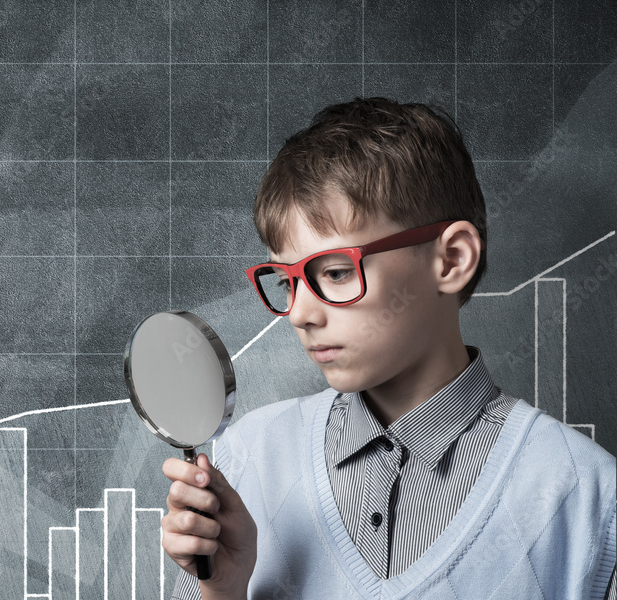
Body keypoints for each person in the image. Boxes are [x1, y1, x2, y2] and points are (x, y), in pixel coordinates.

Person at [162, 97, 617, 599]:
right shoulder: (249, 459)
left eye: (335, 272)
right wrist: (222, 591)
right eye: (287, 282)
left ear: (451, 259)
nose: (299, 314)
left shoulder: (583, 495)